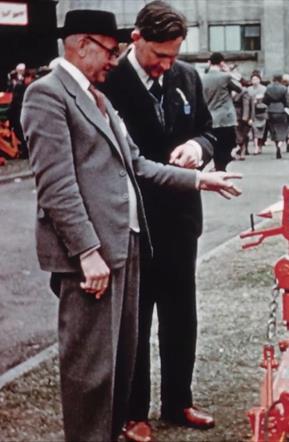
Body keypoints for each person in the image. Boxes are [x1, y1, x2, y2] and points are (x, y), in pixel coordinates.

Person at [20, 9, 240, 442]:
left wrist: (199, 175)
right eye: (109, 49)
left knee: (127, 350)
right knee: (93, 364)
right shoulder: (52, 94)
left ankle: (156, 408)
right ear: (82, 44)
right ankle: (114, 423)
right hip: (100, 246)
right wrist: (85, 251)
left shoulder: (95, 94)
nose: (114, 59)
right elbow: (58, 185)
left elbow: (136, 161)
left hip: (138, 236)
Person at [100, 2, 222, 440]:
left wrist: (197, 148)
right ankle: (134, 412)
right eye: (159, 56)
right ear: (136, 38)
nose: (166, 65)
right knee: (135, 320)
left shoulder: (187, 77)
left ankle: (179, 401)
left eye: (173, 55)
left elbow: (211, 133)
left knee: (180, 313)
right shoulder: (108, 81)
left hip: (181, 220)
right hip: (132, 220)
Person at [202, 51, 242, 170]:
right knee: (227, 143)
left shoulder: (203, 78)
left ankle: (217, 165)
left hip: (211, 116)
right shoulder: (225, 77)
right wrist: (228, 70)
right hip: (226, 116)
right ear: (222, 63)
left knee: (216, 143)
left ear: (209, 62)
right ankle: (222, 166)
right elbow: (239, 87)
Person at [263, 74, 289, 159]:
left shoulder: (268, 87)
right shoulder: (284, 88)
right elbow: (286, 101)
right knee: (283, 129)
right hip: (281, 109)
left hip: (271, 109)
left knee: (273, 129)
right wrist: (287, 108)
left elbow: (265, 99)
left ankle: (276, 144)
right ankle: (280, 144)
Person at [247, 72, 267, 154]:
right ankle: (256, 147)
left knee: (262, 130)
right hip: (253, 112)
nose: (254, 81)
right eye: (253, 79)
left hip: (262, 112)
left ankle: (260, 146)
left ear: (260, 80)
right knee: (254, 130)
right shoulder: (249, 89)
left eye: (256, 79)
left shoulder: (264, 89)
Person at [233, 77, 252, 160]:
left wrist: (245, 116)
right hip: (231, 115)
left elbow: (246, 104)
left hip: (239, 115)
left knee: (241, 134)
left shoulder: (243, 91)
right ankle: (238, 151)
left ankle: (242, 151)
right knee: (236, 135)